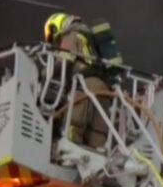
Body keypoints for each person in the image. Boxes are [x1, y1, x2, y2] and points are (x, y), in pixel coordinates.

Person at [44, 12, 120, 149]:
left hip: (85, 84)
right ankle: (98, 154)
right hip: (104, 88)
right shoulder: (91, 39)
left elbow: (64, 59)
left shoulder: (71, 35)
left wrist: (44, 72)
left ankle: (69, 149)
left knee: (74, 122)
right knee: (98, 132)